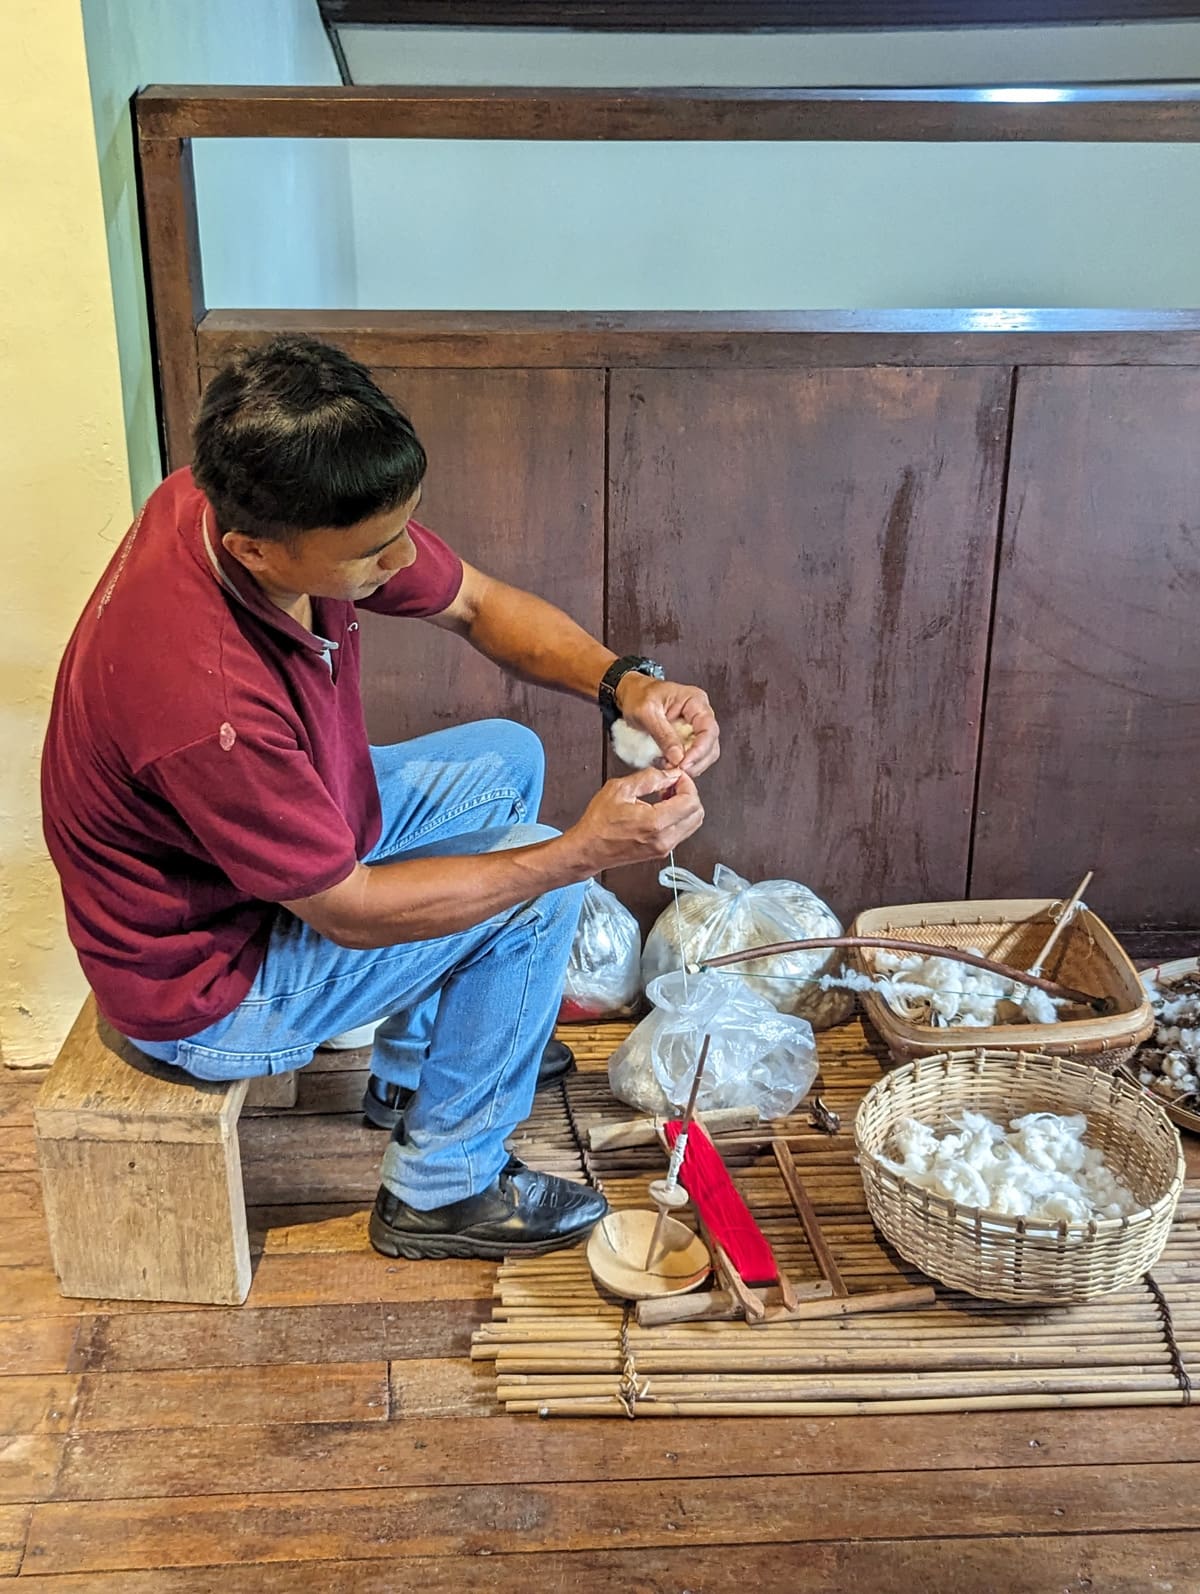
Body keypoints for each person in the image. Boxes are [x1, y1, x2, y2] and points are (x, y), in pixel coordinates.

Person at [41, 336, 719, 1261]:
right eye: (371, 554)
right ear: (256, 550)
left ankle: (411, 1077)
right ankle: (443, 1189)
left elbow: (477, 603)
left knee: (505, 756)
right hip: (208, 982)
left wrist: (624, 683)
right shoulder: (207, 703)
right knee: (544, 889)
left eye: (405, 528)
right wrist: (584, 852)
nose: (400, 561)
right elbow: (349, 911)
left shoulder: (221, 496)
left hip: (258, 862)